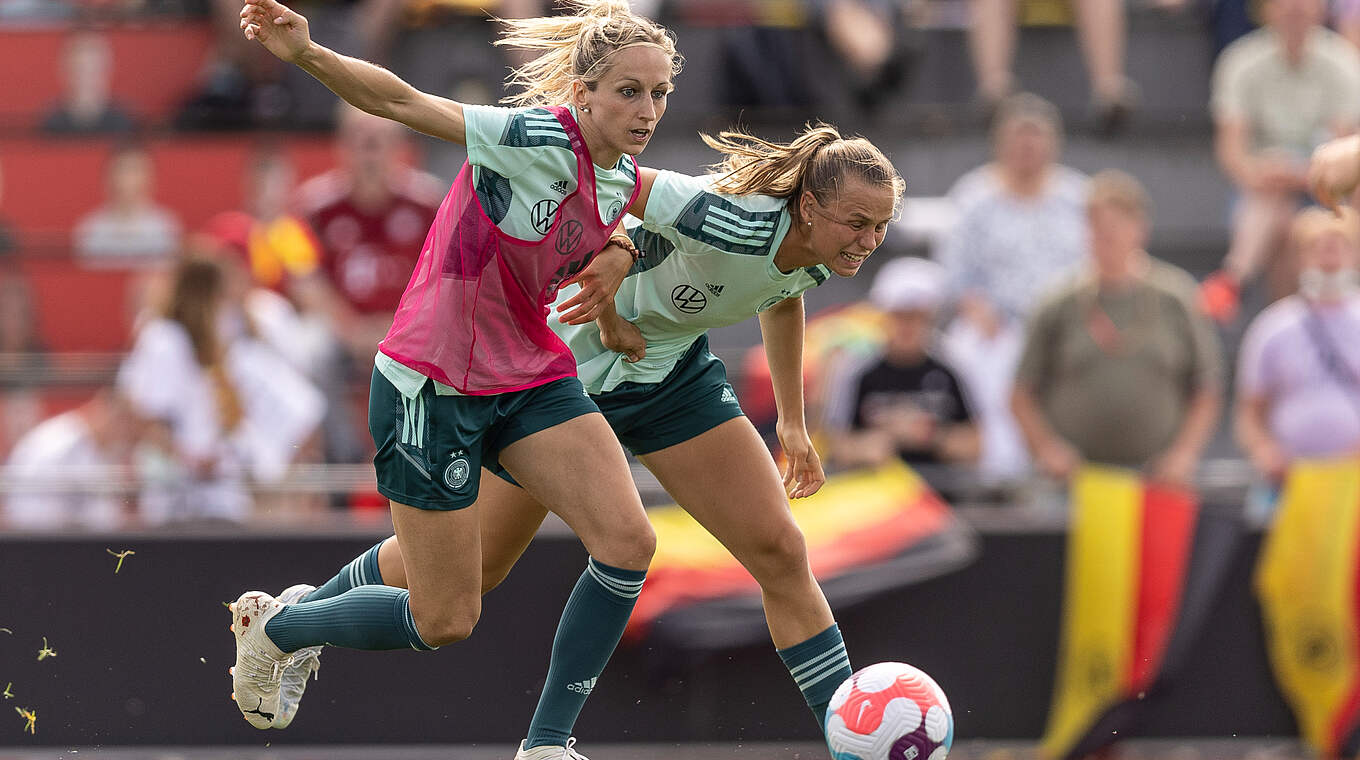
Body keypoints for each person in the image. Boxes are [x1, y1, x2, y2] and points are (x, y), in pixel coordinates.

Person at [279, 122, 902, 741]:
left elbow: (782, 291)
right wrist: (607, 315)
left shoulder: (824, 250)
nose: (869, 240)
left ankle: (847, 736)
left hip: (672, 383)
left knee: (783, 553)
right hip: (567, 384)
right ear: (811, 206)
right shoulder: (728, 215)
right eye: (858, 223)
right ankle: (293, 619)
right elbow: (615, 197)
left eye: (880, 225)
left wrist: (792, 423)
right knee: (474, 569)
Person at [231, 0, 680, 757]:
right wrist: (308, 53)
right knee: (445, 619)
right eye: (629, 91)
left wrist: (622, 256)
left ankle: (545, 745)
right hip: (431, 383)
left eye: (660, 92)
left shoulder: (622, 179)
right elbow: (403, 102)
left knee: (629, 541)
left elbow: (633, 215)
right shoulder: (534, 135)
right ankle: (281, 627)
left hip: (530, 374)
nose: (647, 109)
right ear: (585, 91)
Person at [1011, 170, 1222, 487]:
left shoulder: (1176, 297)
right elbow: (1021, 393)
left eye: (1117, 224)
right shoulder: (1057, 302)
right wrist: (1047, 449)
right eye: (1096, 225)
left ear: (1141, 228)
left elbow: (1207, 387)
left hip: (1159, 481)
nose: (1106, 235)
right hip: (1075, 484)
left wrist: (1184, 454)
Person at [936, 93, 1088, 484]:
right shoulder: (973, 197)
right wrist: (976, 309)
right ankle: (997, 477)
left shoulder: (1079, 198)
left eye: (1036, 138)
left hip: (1066, 322)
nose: (1027, 147)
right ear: (1000, 144)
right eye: (1018, 138)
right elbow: (954, 275)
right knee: (970, 356)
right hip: (996, 325)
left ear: (1054, 144)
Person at [118, 255, 324, 525]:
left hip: (225, 498)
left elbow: (302, 413)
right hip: (174, 501)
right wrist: (189, 458)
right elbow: (143, 418)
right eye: (219, 296)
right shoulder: (164, 340)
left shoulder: (230, 348)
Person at [1201, 0, 1360, 324]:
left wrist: (1299, 172)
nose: (1295, 9)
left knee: (1282, 213)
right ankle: (1293, 329)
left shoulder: (1344, 62)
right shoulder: (1240, 61)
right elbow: (1232, 153)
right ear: (1266, 8)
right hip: (1263, 189)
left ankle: (1234, 277)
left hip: (1324, 185)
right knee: (1283, 217)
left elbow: (1342, 153)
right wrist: (1261, 172)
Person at [823, 256, 980, 497]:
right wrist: (868, 447)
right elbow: (833, 443)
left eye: (916, 317)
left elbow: (976, 444)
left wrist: (931, 437)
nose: (907, 326)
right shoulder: (857, 369)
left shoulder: (953, 366)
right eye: (899, 316)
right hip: (874, 497)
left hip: (941, 496)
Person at [1236, 207, 1360, 488]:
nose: (1330, 258)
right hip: (1291, 482)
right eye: (1318, 248)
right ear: (1300, 258)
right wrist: (1265, 451)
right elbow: (1250, 411)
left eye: (1339, 247)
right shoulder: (1272, 327)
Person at [3, 390, 138, 531]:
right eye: (126, 422)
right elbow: (33, 513)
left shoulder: (94, 446)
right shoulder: (60, 442)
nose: (128, 434)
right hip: (42, 540)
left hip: (73, 540)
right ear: (110, 414)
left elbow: (105, 515)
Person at [73, 145, 182, 267]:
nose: (128, 179)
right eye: (122, 170)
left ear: (150, 177)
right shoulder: (90, 228)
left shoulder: (166, 226)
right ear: (108, 176)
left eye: (136, 170)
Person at [41, 31, 137, 136]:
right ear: (63, 70)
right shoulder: (50, 123)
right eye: (79, 69)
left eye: (93, 69)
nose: (85, 78)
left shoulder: (125, 122)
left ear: (108, 69)